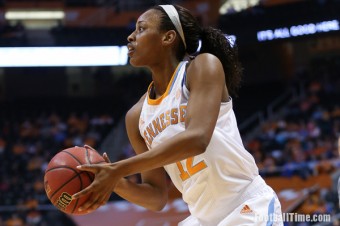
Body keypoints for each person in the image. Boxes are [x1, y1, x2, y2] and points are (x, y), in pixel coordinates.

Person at [73, 4, 283, 226]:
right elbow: (156, 197)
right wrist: (114, 180)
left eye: (141, 29)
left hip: (246, 206)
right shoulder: (136, 117)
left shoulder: (202, 67)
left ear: (168, 37)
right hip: (202, 218)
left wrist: (119, 169)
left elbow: (197, 139)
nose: (131, 36)